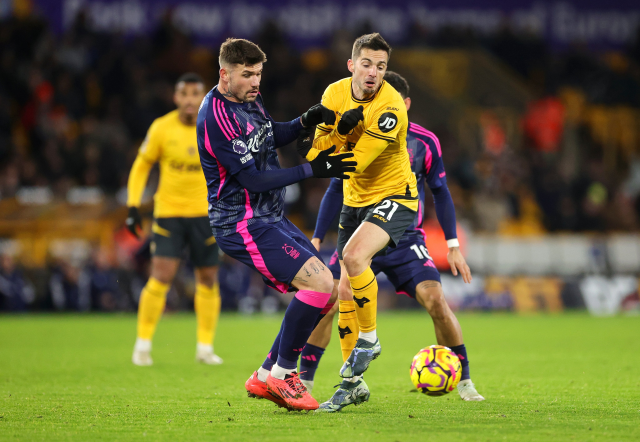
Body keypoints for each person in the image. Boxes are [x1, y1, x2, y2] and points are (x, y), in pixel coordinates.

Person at [300, 71, 483, 411]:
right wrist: (315, 237)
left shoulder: (424, 142)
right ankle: (306, 381)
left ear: (405, 104)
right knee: (329, 301)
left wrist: (453, 244)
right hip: (360, 233)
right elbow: (334, 188)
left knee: (436, 300)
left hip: (404, 235)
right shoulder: (357, 137)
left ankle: (466, 380)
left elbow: (441, 192)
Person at [196, 38, 356, 411]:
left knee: (328, 290)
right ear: (224, 74)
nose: (255, 82)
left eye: (259, 74)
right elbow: (252, 179)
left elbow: (267, 136)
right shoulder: (216, 117)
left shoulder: (249, 98)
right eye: (247, 75)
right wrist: (312, 170)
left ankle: (267, 373)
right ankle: (284, 375)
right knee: (317, 282)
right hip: (242, 222)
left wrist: (302, 122)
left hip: (269, 216)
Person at [301, 32, 419, 403]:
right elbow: (313, 156)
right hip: (354, 201)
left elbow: (354, 161)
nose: (373, 73)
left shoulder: (390, 107)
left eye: (381, 66)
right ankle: (354, 385)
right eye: (366, 64)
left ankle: (370, 338)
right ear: (352, 64)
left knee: (354, 258)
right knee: (344, 290)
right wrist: (335, 130)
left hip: (395, 195)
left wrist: (337, 133)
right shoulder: (333, 93)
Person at [127, 73, 223, 366]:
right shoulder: (161, 128)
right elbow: (142, 165)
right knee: (161, 276)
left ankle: (205, 348)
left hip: (206, 215)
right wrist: (132, 206)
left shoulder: (214, 126)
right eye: (185, 94)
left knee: (207, 278)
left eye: (197, 94)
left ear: (204, 97)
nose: (191, 100)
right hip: (168, 214)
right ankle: (142, 345)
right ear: (176, 97)